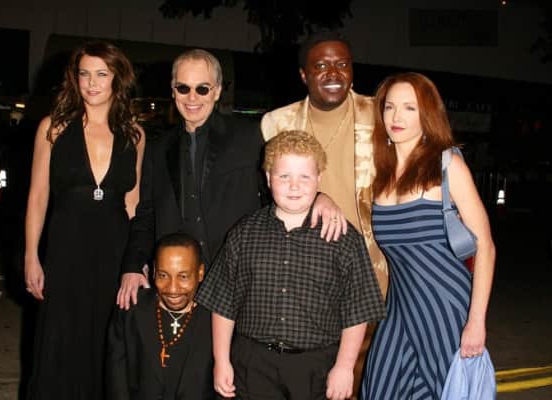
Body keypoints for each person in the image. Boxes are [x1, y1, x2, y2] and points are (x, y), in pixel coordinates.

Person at [117, 48, 346, 310]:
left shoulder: (249, 137)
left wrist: (319, 198)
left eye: (202, 89)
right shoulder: (158, 149)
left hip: (237, 281)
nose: (192, 97)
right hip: (177, 287)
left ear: (217, 91)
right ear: (173, 90)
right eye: (183, 88)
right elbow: (146, 214)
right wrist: (132, 266)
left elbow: (280, 188)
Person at [196, 130, 386, 400]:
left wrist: (345, 367)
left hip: (316, 368)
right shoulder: (244, 233)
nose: (294, 186)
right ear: (268, 177)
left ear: (319, 178)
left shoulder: (344, 238)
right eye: (284, 176)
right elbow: (223, 303)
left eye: (304, 177)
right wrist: (222, 360)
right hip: (251, 365)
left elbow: (358, 309)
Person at [360, 72, 496, 399]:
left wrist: (476, 321)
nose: (396, 116)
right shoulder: (381, 174)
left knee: (445, 391)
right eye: (390, 107)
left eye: (410, 107)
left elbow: (486, 248)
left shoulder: (446, 165)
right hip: (399, 307)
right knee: (380, 388)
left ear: (427, 114)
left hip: (444, 306)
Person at [24, 41, 144, 399]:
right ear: (74, 79)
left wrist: (137, 261)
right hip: (66, 249)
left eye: (101, 74)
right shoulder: (54, 128)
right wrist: (31, 256)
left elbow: (134, 203)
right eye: (84, 74)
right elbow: (38, 197)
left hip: (114, 250)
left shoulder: (134, 134)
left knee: (108, 342)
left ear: (117, 79)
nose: (92, 83)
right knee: (61, 341)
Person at [107, 233, 215, 399]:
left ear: (200, 273)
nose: (172, 289)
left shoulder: (216, 318)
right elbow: (116, 382)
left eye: (183, 277)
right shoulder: (131, 309)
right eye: (163, 275)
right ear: (154, 271)